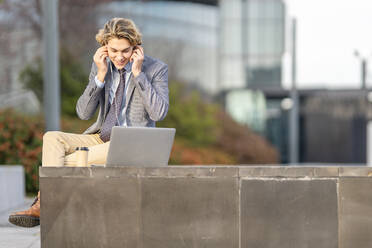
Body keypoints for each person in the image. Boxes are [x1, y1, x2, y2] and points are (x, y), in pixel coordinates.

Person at [8, 17, 169, 227]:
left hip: (133, 143)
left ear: (136, 48)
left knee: (60, 163)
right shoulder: (102, 66)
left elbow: (159, 113)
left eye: (125, 51)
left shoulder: (156, 69)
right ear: (104, 48)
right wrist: (100, 76)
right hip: (101, 138)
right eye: (113, 51)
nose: (119, 57)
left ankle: (44, 203)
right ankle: (50, 203)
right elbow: (83, 113)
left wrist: (139, 75)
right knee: (52, 138)